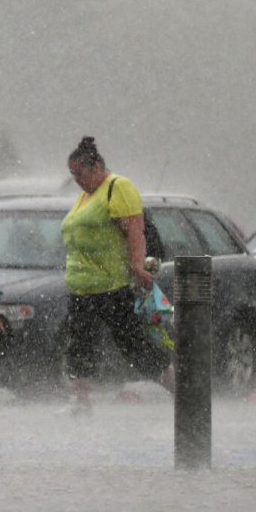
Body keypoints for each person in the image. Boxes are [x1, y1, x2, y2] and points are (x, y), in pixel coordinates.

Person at [58, 136, 175, 415]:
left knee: (134, 344)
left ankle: (179, 389)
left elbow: (135, 229)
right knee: (79, 344)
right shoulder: (86, 194)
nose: (76, 180)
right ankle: (80, 402)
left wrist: (138, 265)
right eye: (72, 174)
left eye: (80, 173)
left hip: (113, 285)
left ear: (96, 166)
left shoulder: (117, 187)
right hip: (83, 287)